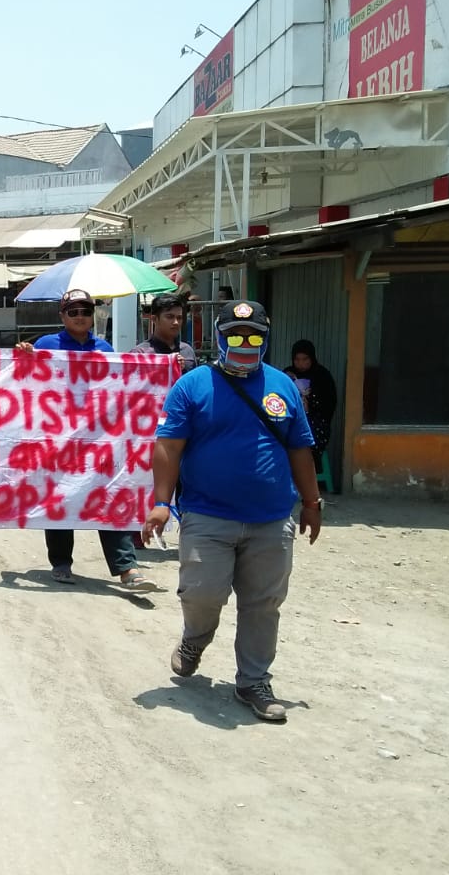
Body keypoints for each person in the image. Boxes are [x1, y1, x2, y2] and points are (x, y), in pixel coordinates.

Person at [142, 300, 322, 723]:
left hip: (272, 518)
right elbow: (168, 446)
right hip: (207, 515)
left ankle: (253, 681)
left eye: (254, 336)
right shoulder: (192, 386)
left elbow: (300, 449)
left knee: (263, 603)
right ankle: (195, 638)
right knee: (203, 592)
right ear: (220, 338)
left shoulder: (283, 387)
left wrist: (312, 502)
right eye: (236, 336)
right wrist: (160, 503)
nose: (245, 344)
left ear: (265, 339)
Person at [14, 289, 156, 591]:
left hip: (99, 440)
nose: (80, 317)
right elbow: (25, 381)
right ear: (62, 315)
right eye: (73, 311)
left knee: (109, 495)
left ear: (93, 315)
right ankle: (61, 562)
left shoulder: (105, 349)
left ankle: (127, 568)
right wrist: (24, 355)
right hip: (58, 439)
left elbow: (121, 388)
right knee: (61, 498)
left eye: (86, 311)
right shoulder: (45, 346)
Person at [284, 340, 337, 468]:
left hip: (316, 424)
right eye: (297, 359)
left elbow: (329, 405)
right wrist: (286, 380)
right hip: (291, 420)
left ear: (312, 358)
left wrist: (310, 403)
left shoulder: (322, 375)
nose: (300, 363)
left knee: (303, 439)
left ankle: (305, 472)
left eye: (305, 359)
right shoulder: (288, 373)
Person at [133, 293, 197, 372]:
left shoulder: (187, 351)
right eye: (170, 317)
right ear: (154, 319)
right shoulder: (140, 353)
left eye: (179, 318)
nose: (176, 322)